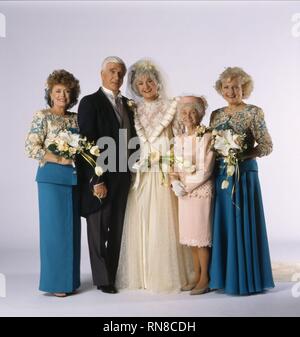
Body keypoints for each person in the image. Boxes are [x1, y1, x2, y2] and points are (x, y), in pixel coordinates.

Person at [116, 59, 192, 293]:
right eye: (140, 83)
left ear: (158, 83)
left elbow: (181, 140)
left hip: (164, 172)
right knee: (141, 219)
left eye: (149, 81)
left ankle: (165, 273)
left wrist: (173, 167)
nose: (145, 86)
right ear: (135, 87)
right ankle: (143, 273)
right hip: (142, 173)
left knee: (164, 220)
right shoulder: (134, 109)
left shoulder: (172, 106)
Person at [209, 66, 275, 295]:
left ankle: (247, 279)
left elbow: (267, 146)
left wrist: (243, 155)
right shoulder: (215, 115)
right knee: (225, 222)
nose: (231, 91)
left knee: (243, 221)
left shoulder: (254, 112)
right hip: (220, 176)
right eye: (226, 87)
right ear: (221, 89)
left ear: (244, 88)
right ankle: (223, 277)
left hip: (244, 176)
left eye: (235, 87)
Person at [77, 56, 137, 294]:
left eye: (121, 73)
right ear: (102, 74)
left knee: (117, 227)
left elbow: (132, 139)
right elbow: (86, 142)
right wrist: (96, 179)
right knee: (98, 229)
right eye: (112, 71)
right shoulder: (90, 102)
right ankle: (103, 279)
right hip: (102, 176)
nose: (117, 77)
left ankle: (113, 275)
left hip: (124, 175)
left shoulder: (127, 104)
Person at [25, 69, 81, 297]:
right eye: (58, 91)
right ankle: (56, 282)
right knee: (54, 231)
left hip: (73, 179)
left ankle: (70, 281)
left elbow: (83, 146)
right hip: (50, 178)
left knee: (72, 230)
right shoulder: (42, 116)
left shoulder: (76, 118)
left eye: (67, 91)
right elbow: (31, 147)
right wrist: (59, 158)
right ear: (50, 92)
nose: (63, 95)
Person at [171, 96, 215, 295]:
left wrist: (187, 187)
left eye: (192, 112)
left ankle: (205, 277)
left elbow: (206, 168)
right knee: (190, 238)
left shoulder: (206, 137)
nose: (188, 116)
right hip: (183, 194)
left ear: (199, 114)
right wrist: (174, 181)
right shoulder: (178, 139)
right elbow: (172, 164)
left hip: (200, 192)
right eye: (184, 112)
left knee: (201, 237)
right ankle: (195, 274)